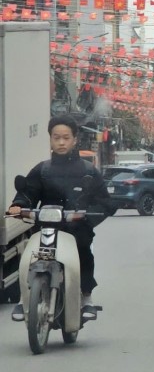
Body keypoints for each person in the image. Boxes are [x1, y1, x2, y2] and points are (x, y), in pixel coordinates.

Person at [7, 114, 111, 322]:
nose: (61, 142)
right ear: (50, 139)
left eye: (66, 137)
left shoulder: (88, 170)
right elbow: (28, 192)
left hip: (77, 229)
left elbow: (104, 202)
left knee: (83, 251)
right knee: (29, 254)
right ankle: (24, 299)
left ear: (74, 139)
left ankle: (86, 298)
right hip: (45, 227)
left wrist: (88, 216)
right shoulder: (42, 170)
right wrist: (19, 205)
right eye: (56, 137)